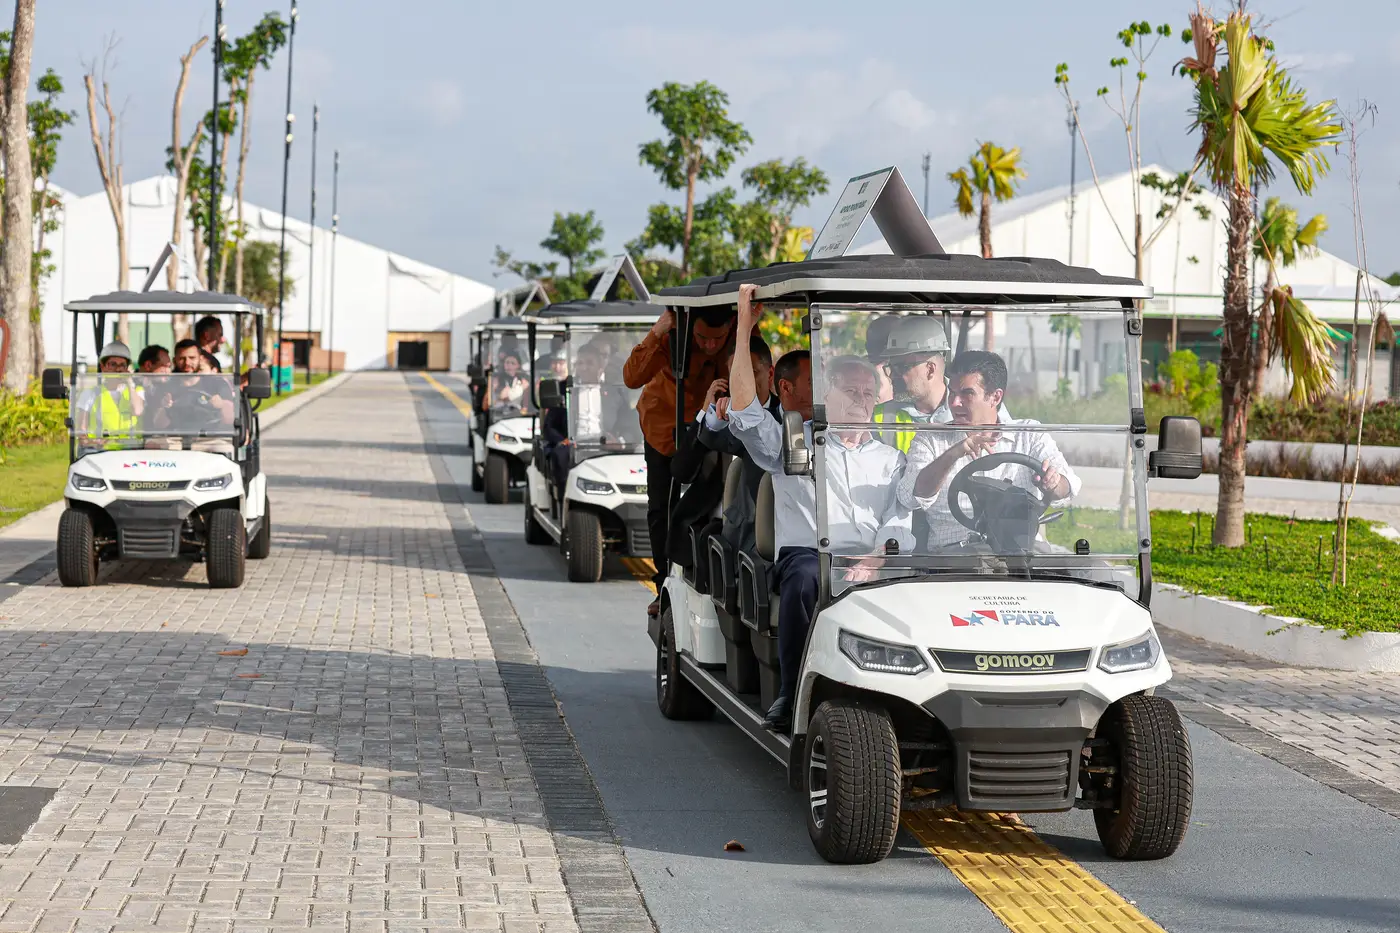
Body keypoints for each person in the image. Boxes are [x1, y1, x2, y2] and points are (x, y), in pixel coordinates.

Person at [728, 286, 912, 733]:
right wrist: (744, 327)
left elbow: (901, 515)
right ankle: (793, 691)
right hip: (809, 556)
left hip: (871, 557)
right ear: (827, 393)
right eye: (851, 390)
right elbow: (745, 411)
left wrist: (880, 555)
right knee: (808, 577)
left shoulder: (891, 458)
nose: (861, 399)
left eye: (868, 392)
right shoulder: (796, 441)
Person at [898, 350, 1079, 549]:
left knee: (1091, 566)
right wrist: (953, 454)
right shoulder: (930, 438)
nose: (954, 403)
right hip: (954, 555)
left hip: (1021, 550)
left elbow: (1068, 486)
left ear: (995, 397)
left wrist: (1053, 483)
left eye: (967, 394)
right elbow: (910, 497)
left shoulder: (1029, 434)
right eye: (952, 393)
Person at [624, 306, 733, 614]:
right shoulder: (672, 335)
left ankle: (700, 573)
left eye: (718, 339)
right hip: (663, 427)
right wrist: (658, 330)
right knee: (661, 508)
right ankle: (663, 585)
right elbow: (632, 377)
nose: (710, 345)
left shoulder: (739, 333)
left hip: (709, 427)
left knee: (707, 503)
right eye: (702, 338)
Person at [673, 336, 791, 555]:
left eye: (752, 373)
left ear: (770, 374)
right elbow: (682, 471)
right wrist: (707, 410)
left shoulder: (786, 416)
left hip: (775, 522)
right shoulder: (718, 417)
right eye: (737, 376)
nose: (744, 383)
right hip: (721, 522)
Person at [76, 341, 144, 449]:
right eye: (113, 364)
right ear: (103, 367)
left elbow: (137, 411)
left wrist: (130, 383)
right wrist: (93, 442)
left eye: (122, 365)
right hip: (100, 452)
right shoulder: (89, 394)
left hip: (130, 451)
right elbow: (81, 433)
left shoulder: (137, 391)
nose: (118, 369)